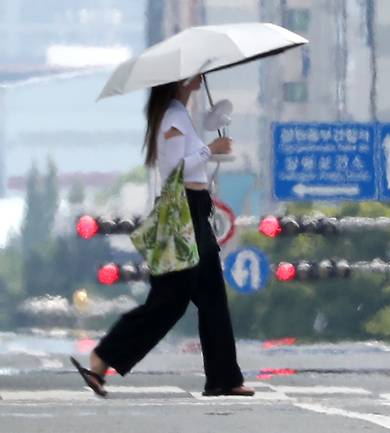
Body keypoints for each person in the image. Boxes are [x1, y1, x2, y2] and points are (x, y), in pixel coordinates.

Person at [70, 74, 255, 398]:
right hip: (181, 215)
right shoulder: (171, 116)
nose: (201, 77)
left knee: (213, 299)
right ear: (182, 80)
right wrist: (210, 150)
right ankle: (102, 359)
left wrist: (212, 154)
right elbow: (173, 169)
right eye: (196, 73)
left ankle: (223, 378)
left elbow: (190, 167)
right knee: (168, 302)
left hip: (196, 210)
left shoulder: (180, 114)